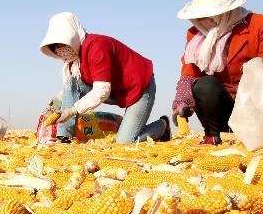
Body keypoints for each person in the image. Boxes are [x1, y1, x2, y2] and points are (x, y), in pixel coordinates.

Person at [172, 0, 263, 145]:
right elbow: (189, 74)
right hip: (221, 107)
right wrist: (181, 102)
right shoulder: (195, 34)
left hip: (252, 104)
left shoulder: (258, 24)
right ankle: (213, 135)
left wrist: (255, 68)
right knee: (205, 85)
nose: (206, 19)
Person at [39, 12, 169, 144]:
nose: (61, 51)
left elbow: (102, 91)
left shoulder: (97, 47)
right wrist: (57, 106)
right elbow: (72, 90)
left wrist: (71, 111)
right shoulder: (74, 60)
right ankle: (64, 137)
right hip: (116, 88)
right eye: (56, 47)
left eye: (63, 44)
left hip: (139, 87)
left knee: (125, 142)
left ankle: (162, 126)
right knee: (72, 82)